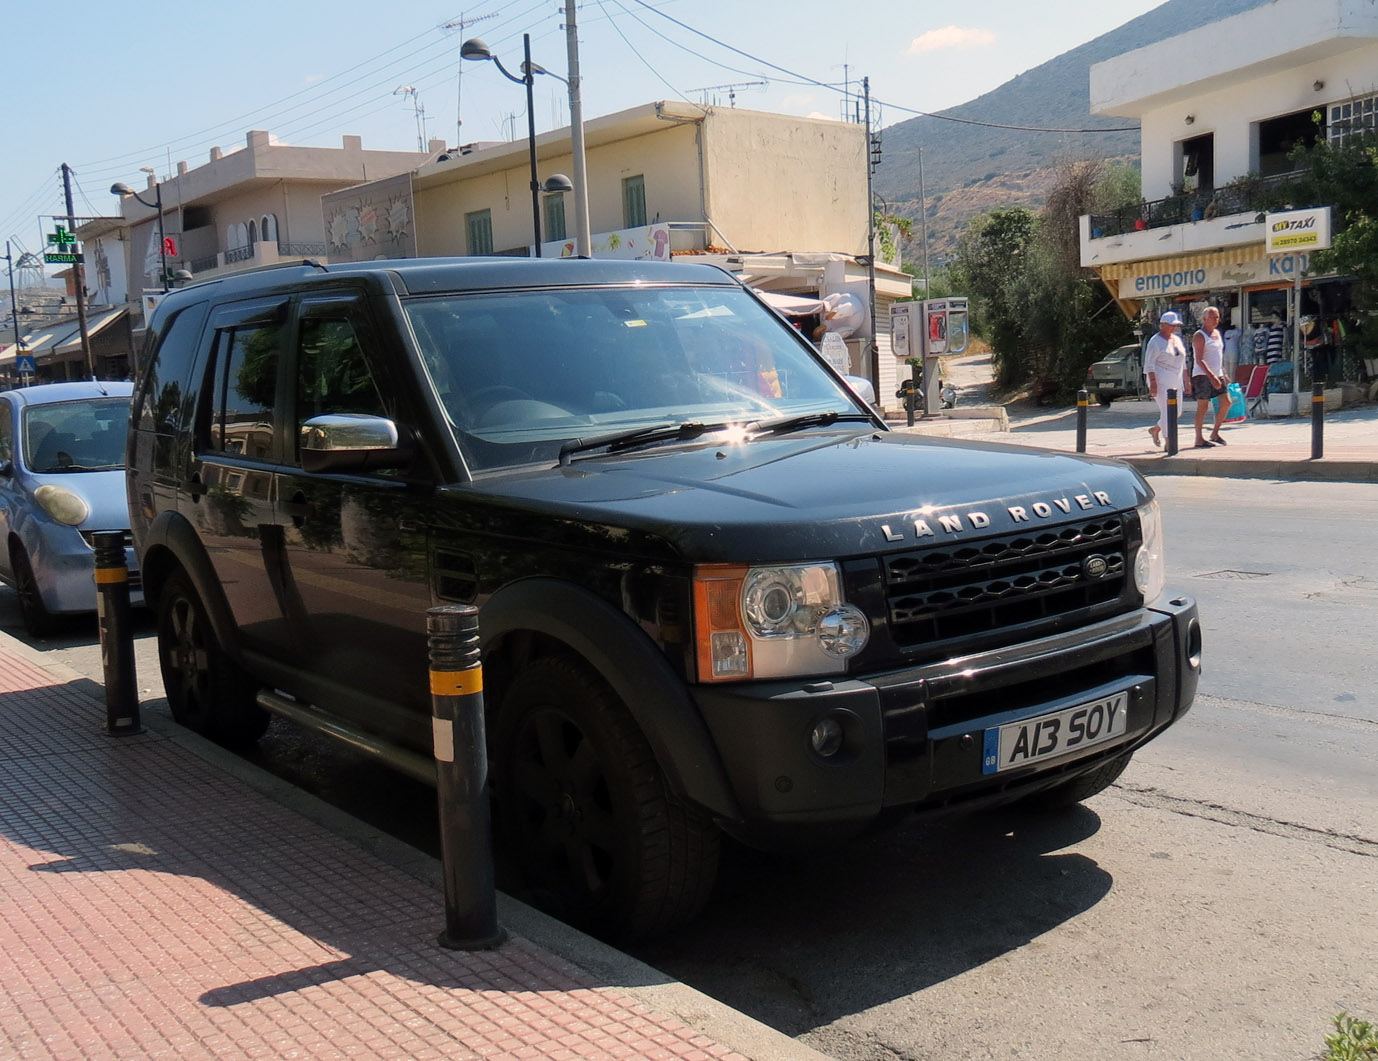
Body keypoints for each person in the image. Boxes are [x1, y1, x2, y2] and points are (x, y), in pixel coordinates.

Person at [1142, 310, 1188, 449]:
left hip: (1176, 379)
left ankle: (1156, 429)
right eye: (1170, 325)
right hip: (1160, 379)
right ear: (1162, 325)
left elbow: (1183, 361)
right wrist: (1153, 383)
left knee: (1177, 411)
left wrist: (1187, 380)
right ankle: (1169, 441)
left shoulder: (1178, 339)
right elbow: (1149, 363)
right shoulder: (1155, 342)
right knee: (1167, 410)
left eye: (1175, 325)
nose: (1173, 328)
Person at [1191, 305, 1230, 447]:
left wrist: (1223, 372)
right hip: (1203, 375)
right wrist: (1211, 376)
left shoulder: (1217, 334)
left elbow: (1218, 355)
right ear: (1205, 318)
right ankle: (1198, 438)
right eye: (1213, 317)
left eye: (1217, 317)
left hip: (1217, 373)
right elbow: (1199, 359)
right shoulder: (1199, 335)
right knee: (1203, 406)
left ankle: (1215, 432)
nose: (1216, 320)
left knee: (1226, 402)